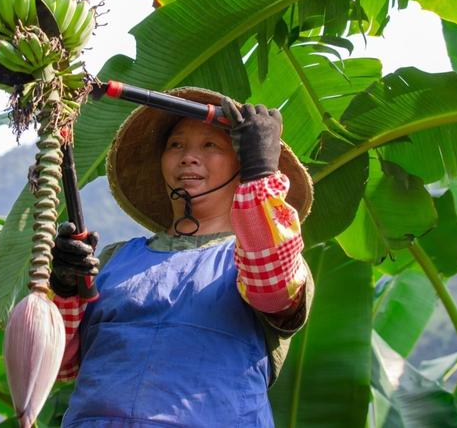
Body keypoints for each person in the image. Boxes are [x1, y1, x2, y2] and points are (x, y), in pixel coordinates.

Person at [49, 87, 315, 427]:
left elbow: (273, 286)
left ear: (242, 161)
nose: (188, 157)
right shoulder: (115, 259)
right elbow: (59, 364)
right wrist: (65, 290)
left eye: (211, 145)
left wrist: (261, 173)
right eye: (176, 145)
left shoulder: (260, 260)